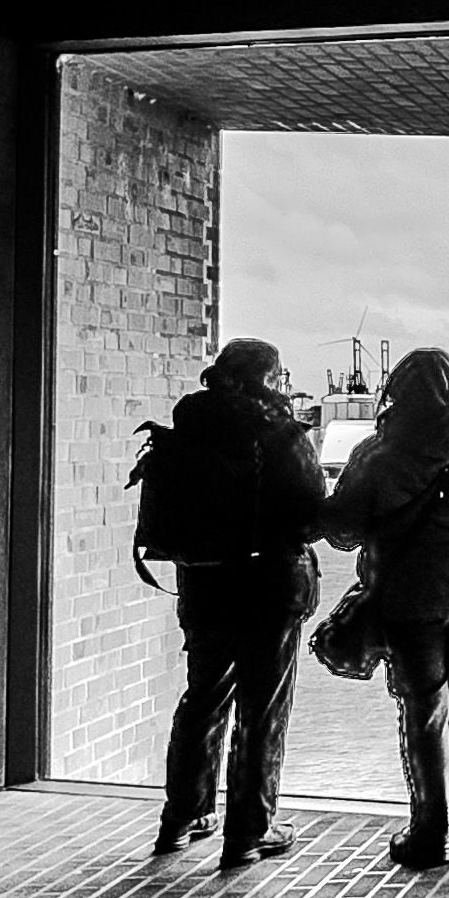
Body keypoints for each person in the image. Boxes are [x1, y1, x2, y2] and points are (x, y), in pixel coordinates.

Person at [321, 345, 449, 871]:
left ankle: (429, 833)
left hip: (412, 595)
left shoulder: (379, 454)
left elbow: (342, 531)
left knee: (424, 710)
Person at [155, 337, 329, 867]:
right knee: (262, 709)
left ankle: (182, 817)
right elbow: (312, 512)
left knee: (203, 697)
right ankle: (250, 832)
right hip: (268, 584)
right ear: (268, 380)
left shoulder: (191, 426)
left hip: (204, 581)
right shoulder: (280, 433)